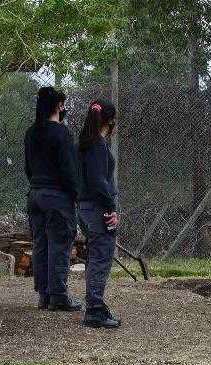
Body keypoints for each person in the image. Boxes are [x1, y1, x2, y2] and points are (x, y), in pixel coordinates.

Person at [24, 86, 81, 311]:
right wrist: (76, 195)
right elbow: (69, 170)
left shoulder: (31, 132)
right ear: (59, 106)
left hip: (35, 195)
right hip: (56, 197)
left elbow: (28, 167)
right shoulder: (61, 133)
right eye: (63, 104)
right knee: (59, 244)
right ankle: (59, 295)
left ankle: (44, 295)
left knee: (40, 244)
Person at [77, 99, 121, 328]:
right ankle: (94, 309)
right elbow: (98, 182)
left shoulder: (86, 144)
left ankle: (96, 304)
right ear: (109, 121)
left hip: (85, 207)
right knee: (100, 258)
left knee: (95, 257)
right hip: (98, 208)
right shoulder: (98, 145)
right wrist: (111, 209)